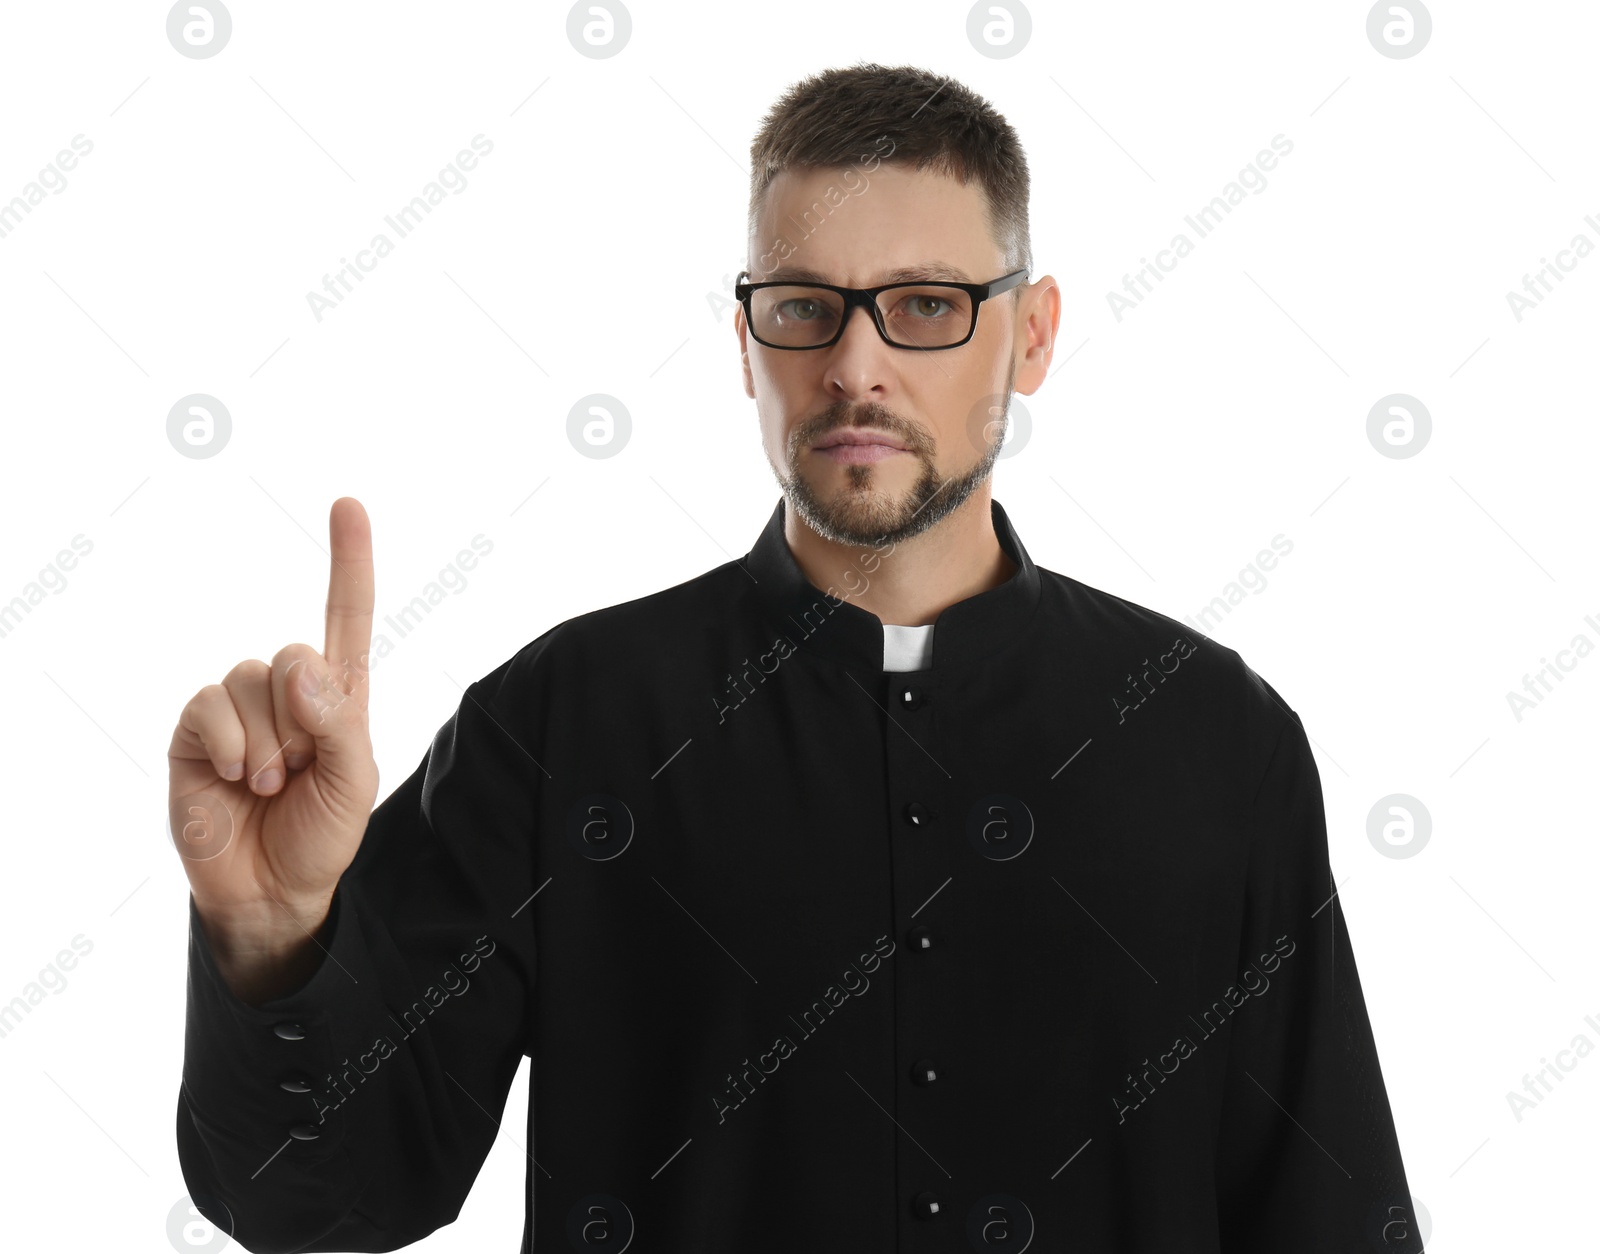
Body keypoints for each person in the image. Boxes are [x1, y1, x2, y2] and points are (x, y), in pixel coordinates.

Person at [172, 62, 1423, 1252]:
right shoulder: (567, 721)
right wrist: (271, 934)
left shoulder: (1212, 737)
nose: (854, 367)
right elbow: (324, 1197)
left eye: (927, 305)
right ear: (744, 338)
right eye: (804, 308)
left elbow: (1326, 1219)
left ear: (1031, 335)